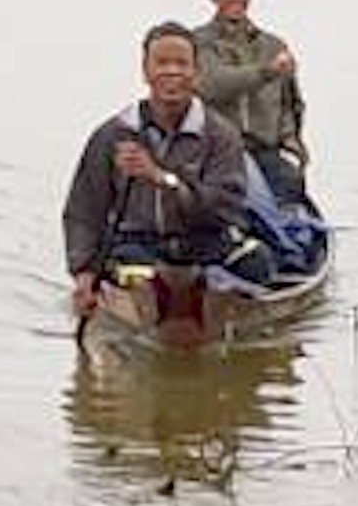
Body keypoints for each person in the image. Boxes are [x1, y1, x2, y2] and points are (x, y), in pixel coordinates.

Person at [62, 22, 264, 317]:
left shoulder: (221, 135)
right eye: (162, 63)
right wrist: (82, 274)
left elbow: (225, 210)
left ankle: (214, 312)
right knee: (134, 277)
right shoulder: (113, 134)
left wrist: (161, 179)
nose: (172, 72)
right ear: (146, 72)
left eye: (181, 64)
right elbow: (83, 212)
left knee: (259, 263)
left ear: (196, 72)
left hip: (205, 242)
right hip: (140, 245)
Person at [192, 0, 308, 204]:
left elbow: (289, 103)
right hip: (217, 154)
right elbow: (213, 84)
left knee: (292, 198)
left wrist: (291, 139)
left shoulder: (274, 45)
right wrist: (267, 71)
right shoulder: (198, 42)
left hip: (265, 152)